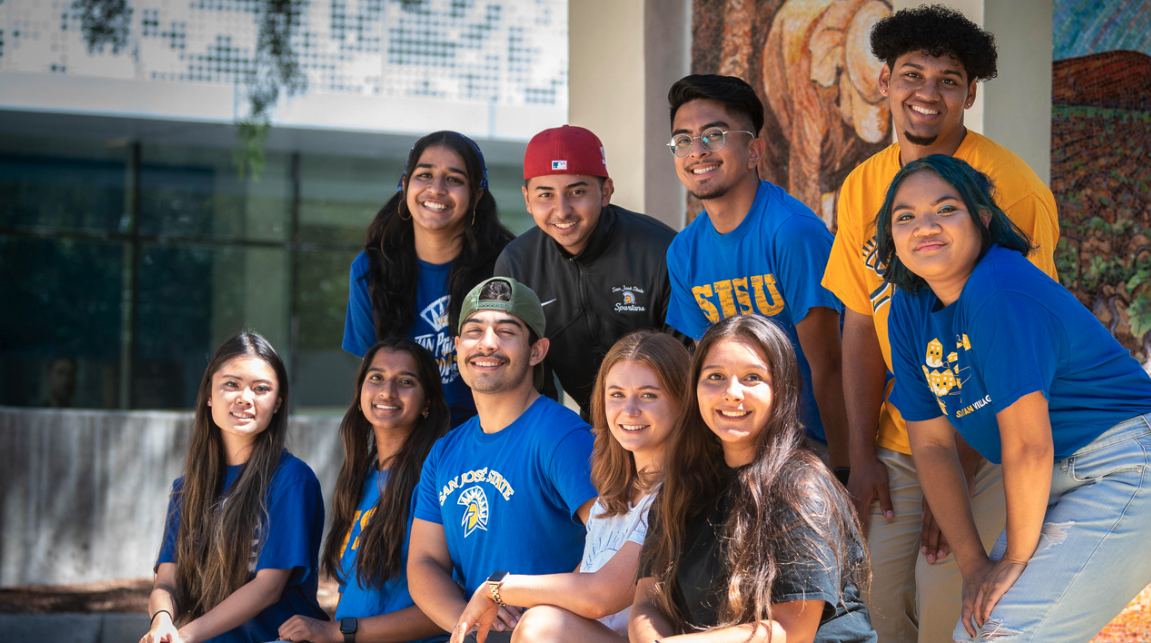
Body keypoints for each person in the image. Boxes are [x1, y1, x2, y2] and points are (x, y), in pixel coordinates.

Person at [819, 7, 1060, 641]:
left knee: (948, 607)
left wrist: (960, 465)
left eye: (948, 79)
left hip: (989, 435)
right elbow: (860, 322)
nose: (927, 93)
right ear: (884, 82)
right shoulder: (862, 186)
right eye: (911, 74)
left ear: (970, 93)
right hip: (903, 438)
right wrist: (859, 458)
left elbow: (1023, 344)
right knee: (875, 603)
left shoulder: (1011, 188)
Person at [877, 154, 1151, 643]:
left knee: (1008, 634)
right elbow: (933, 446)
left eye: (946, 209)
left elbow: (1028, 445)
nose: (925, 226)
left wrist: (1015, 560)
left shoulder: (999, 288)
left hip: (1124, 464)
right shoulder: (909, 306)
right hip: (1056, 477)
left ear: (983, 218)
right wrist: (973, 565)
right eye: (905, 216)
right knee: (976, 631)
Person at [630, 314, 876, 643]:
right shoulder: (683, 484)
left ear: (781, 390)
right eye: (715, 376)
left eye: (752, 377)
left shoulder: (801, 486)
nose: (732, 393)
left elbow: (792, 631)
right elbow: (647, 602)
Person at [451, 330, 690, 643]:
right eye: (617, 394)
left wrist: (496, 589)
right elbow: (585, 577)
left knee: (541, 625)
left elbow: (601, 594)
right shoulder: (613, 492)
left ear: (683, 401)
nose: (629, 410)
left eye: (648, 395)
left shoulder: (679, 491)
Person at [663, 74, 848, 469]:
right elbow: (710, 367)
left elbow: (830, 366)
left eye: (714, 135)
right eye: (683, 140)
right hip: (751, 443)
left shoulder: (792, 233)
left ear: (753, 151)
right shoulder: (684, 251)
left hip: (823, 440)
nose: (697, 151)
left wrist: (847, 467)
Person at [407, 277, 599, 643]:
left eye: (506, 331)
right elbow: (423, 562)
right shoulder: (444, 452)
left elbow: (610, 546)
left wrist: (542, 617)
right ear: (457, 347)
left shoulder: (563, 437)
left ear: (537, 351)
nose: (488, 343)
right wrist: (468, 622)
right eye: (474, 331)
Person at [141, 332, 326, 643]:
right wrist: (162, 622)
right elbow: (167, 583)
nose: (245, 398)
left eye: (261, 389)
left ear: (278, 403)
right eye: (231, 384)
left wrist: (184, 636)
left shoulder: (292, 480)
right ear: (209, 395)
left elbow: (268, 588)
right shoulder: (186, 489)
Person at [494, 125, 683, 417]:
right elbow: (528, 378)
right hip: (587, 423)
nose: (562, 210)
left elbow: (684, 359)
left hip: (664, 417)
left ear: (605, 192)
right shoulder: (517, 264)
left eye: (577, 192)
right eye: (546, 195)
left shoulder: (661, 251)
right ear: (527, 199)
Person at [278, 338, 450, 643]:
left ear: (427, 403)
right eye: (376, 378)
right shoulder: (360, 479)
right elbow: (351, 596)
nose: (387, 391)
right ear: (360, 394)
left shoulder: (437, 481)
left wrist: (338, 632)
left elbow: (451, 608)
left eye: (406, 381)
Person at [344, 130, 515, 427]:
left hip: (488, 434)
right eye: (424, 175)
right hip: (406, 435)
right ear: (404, 184)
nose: (436, 189)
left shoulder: (507, 266)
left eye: (454, 179)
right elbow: (374, 377)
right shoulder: (371, 269)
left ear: (476, 196)